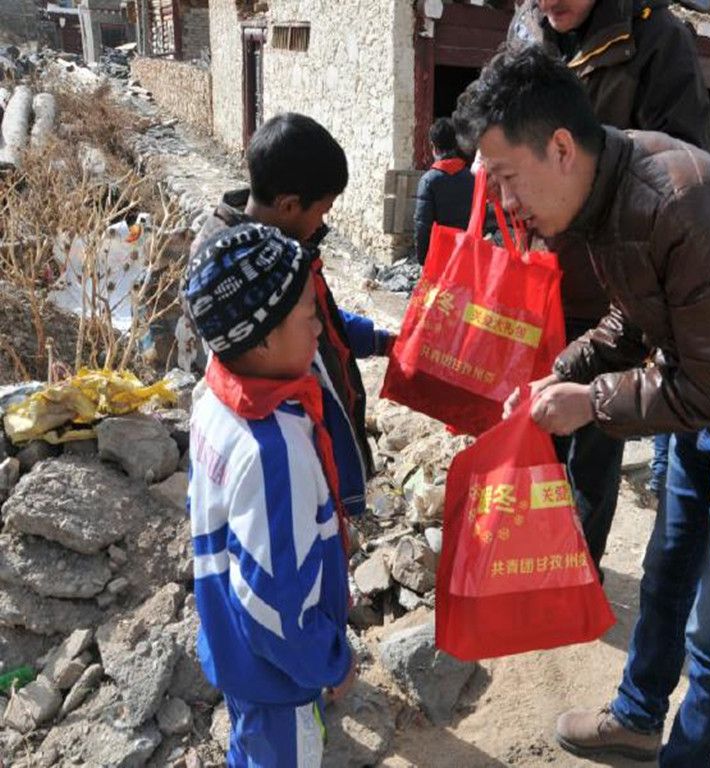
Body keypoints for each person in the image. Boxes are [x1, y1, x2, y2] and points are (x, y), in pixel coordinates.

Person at [454, 47, 710, 766]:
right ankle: (637, 719)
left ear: (561, 148)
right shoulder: (603, 197)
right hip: (702, 381)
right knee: (667, 573)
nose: (504, 204)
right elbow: (634, 318)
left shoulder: (678, 202)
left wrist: (591, 402)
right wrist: (561, 372)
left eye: (506, 178)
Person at [506, 0, 710, 563]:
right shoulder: (527, 27)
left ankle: (577, 571)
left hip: (609, 288)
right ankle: (530, 563)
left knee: (593, 445)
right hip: (538, 280)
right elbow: (498, 109)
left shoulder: (657, 38)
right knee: (534, 429)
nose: (549, 3)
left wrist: (577, 174)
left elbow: (679, 168)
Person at [185, 223, 358, 765]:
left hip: (238, 656)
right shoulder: (271, 451)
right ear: (261, 339)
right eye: (309, 316)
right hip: (279, 682)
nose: (320, 328)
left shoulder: (214, 396)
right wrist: (331, 661)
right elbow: (276, 608)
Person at [181, 113, 391, 518]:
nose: (322, 223)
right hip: (297, 459)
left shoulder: (279, 250)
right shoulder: (240, 268)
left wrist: (379, 341)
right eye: (322, 211)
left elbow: (323, 319)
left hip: (315, 447)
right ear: (289, 204)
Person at [414, 117, 474, 265]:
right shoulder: (471, 178)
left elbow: (423, 226)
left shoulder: (428, 181)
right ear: (456, 144)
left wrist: (423, 259)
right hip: (465, 255)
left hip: (439, 258)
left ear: (433, 147)